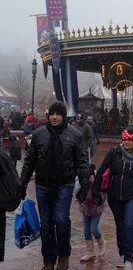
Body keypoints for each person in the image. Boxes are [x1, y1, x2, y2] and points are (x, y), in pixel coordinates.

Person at [20, 101, 89, 270]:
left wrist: (84, 185)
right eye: (52, 114)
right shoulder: (38, 135)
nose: (54, 117)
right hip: (43, 184)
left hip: (64, 184)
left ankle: (64, 255)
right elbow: (30, 161)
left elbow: (82, 162)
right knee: (46, 223)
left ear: (63, 116)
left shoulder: (74, 135)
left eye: (58, 114)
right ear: (48, 116)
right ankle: (48, 260)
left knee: (61, 219)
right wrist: (22, 183)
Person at [92, 127, 133, 270]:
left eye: (130, 140)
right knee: (120, 226)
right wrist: (95, 191)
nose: (126, 142)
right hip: (114, 196)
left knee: (128, 224)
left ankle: (128, 258)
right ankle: (122, 253)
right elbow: (101, 171)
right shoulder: (114, 152)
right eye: (124, 139)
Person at [78, 163, 107, 262]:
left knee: (93, 228)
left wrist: (95, 185)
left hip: (96, 208)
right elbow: (77, 191)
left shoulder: (98, 177)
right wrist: (84, 184)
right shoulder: (80, 177)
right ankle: (90, 252)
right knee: (86, 230)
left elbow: (103, 193)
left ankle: (102, 244)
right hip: (85, 208)